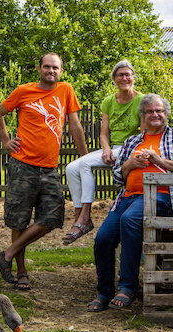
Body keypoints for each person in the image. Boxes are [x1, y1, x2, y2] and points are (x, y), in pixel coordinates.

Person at [88, 94, 173, 312]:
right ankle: (104, 292)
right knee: (103, 238)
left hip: (163, 195)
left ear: (166, 114)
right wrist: (129, 163)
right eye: (149, 111)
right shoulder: (132, 141)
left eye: (159, 111)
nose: (155, 114)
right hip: (128, 197)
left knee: (130, 220)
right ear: (143, 116)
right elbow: (117, 177)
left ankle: (127, 287)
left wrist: (158, 160)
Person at [0, 52, 88, 290]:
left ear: (61, 71)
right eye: (47, 67)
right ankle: (21, 273)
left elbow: (74, 124)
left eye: (55, 67)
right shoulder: (23, 91)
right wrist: (6, 141)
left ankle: (7, 254)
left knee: (54, 215)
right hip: (23, 165)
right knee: (19, 220)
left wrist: (84, 157)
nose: (51, 71)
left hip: (49, 167)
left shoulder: (66, 90)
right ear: (39, 69)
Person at [62, 60, 143, 245]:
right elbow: (104, 133)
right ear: (114, 79)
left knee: (84, 163)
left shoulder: (141, 100)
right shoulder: (108, 101)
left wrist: (123, 152)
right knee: (71, 167)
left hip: (132, 147)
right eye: (120, 75)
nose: (124, 78)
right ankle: (79, 218)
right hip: (113, 147)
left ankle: (85, 216)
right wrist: (106, 149)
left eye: (128, 74)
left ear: (133, 77)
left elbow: (143, 134)